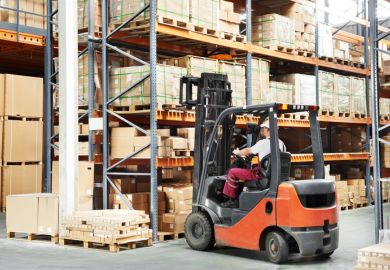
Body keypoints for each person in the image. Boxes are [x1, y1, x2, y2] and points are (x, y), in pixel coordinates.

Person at [221, 120, 286, 208]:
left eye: (263, 128)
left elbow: (248, 151)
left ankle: (232, 200)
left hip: (261, 176)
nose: (262, 130)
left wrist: (237, 152)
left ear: (267, 129)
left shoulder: (263, 143)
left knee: (232, 172)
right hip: (274, 176)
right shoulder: (282, 144)